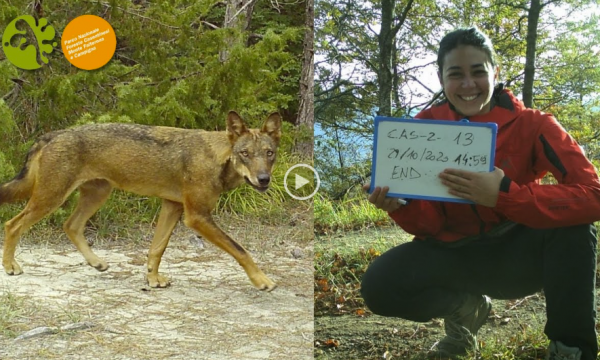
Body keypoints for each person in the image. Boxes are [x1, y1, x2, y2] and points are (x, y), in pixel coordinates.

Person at [360, 27, 600, 360]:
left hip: (519, 256)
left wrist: (504, 195)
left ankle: (571, 348)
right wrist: (400, 205)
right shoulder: (421, 129)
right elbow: (428, 227)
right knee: (379, 285)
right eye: (455, 74)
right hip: (456, 257)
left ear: (495, 73)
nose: (468, 84)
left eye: (478, 72)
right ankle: (465, 312)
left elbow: (592, 195)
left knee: (574, 227)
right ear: (442, 79)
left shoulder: (536, 125)